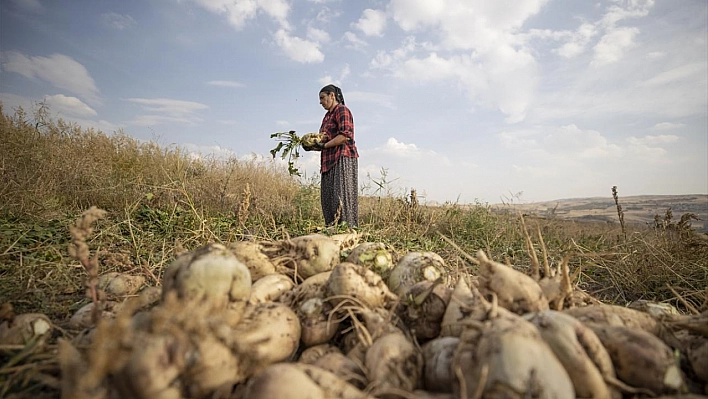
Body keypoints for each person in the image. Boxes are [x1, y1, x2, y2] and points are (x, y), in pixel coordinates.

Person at [315, 84, 359, 228]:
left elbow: (345, 135)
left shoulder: (342, 110)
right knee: (328, 200)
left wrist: (325, 146)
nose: (320, 102)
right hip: (328, 161)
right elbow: (324, 139)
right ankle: (332, 232)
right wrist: (312, 145)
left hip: (342, 157)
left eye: (322, 98)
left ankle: (348, 233)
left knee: (341, 198)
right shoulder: (327, 116)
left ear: (332, 96)